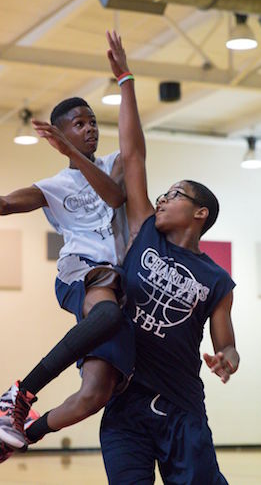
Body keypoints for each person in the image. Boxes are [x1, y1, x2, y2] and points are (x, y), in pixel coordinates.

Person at [0, 97, 134, 465]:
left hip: (120, 280)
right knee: (107, 316)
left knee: (94, 395)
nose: (90, 129)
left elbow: (116, 196)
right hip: (83, 269)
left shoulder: (116, 164)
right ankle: (18, 395)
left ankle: (21, 435)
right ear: (61, 132)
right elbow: (0, 204)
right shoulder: (53, 187)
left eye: (92, 123)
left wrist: (75, 151)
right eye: (79, 124)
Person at [99, 31, 240, 484]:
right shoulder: (145, 233)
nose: (161, 198)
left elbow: (227, 345)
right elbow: (134, 153)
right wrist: (126, 80)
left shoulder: (216, 279)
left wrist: (226, 362)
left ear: (199, 213)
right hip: (125, 405)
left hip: (181, 409)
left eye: (174, 195)